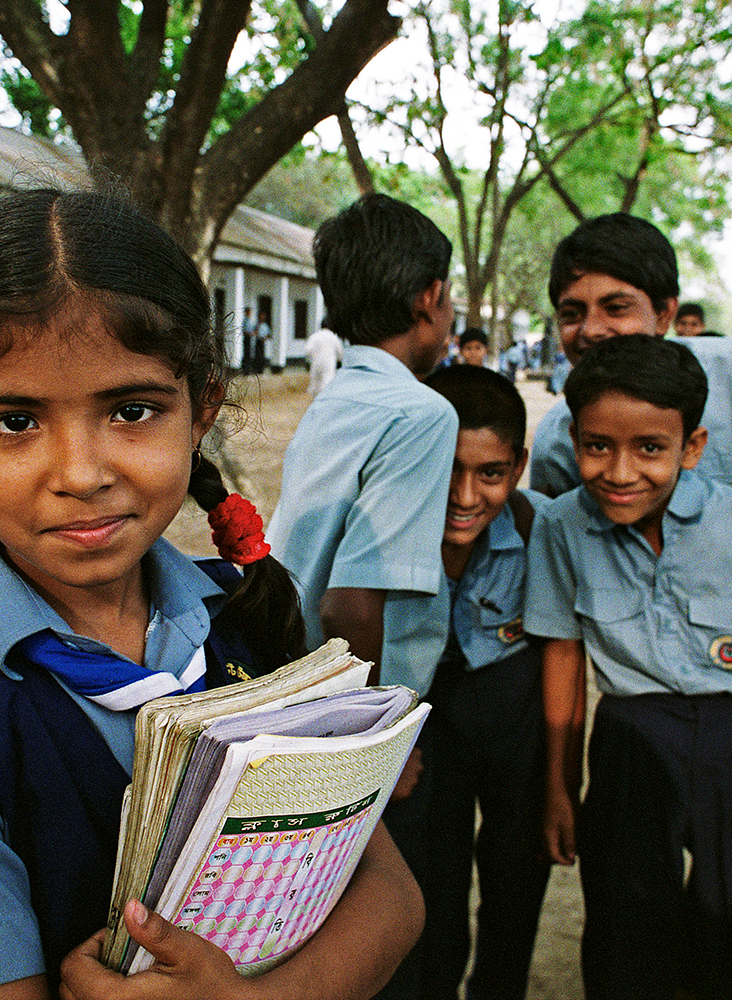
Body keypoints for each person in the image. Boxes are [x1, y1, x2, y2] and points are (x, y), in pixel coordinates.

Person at [0, 189, 423, 1000]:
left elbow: (392, 895)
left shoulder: (243, 618)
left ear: (202, 406)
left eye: (132, 410)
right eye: (13, 421)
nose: (81, 473)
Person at [526, 334, 732, 1000]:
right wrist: (559, 781)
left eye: (650, 449)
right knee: (625, 927)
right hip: (631, 742)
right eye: (596, 445)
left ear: (691, 447)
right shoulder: (561, 526)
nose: (620, 471)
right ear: (573, 437)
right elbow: (562, 652)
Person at [267, 192, 457, 1000]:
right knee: (388, 933)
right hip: (354, 714)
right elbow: (352, 603)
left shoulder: (337, 398)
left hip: (295, 689)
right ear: (429, 300)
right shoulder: (420, 412)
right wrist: (380, 744)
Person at [529, 213, 732, 503]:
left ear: (664, 315)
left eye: (617, 308)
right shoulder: (558, 439)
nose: (591, 330)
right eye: (571, 314)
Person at [418, 364, 550, 1000]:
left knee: (515, 880)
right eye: (446, 469)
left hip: (514, 725)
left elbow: (564, 654)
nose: (465, 496)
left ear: (518, 467)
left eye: (490, 474)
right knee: (432, 889)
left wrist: (558, 776)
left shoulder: (540, 528)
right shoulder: (388, 533)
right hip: (427, 732)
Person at [305, 323, 344, 395]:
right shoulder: (333, 337)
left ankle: (315, 402)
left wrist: (309, 360)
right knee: (326, 383)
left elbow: (308, 350)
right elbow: (340, 352)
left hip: (316, 362)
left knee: (315, 383)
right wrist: (339, 361)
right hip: (329, 363)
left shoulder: (315, 336)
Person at [254, 309, 273, 374]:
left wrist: (266, 337)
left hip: (262, 341)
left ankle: (261, 369)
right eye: (261, 316)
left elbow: (269, 334)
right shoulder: (257, 325)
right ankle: (256, 369)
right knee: (257, 355)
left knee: (262, 355)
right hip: (257, 340)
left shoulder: (265, 325)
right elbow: (254, 332)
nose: (262, 317)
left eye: (263, 316)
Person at [240, 306, 256, 373]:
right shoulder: (245, 321)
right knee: (246, 352)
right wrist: (248, 333)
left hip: (250, 337)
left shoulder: (251, 321)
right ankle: (245, 368)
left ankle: (249, 368)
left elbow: (253, 329)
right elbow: (243, 330)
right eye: (248, 312)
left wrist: (253, 333)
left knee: (249, 353)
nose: (249, 313)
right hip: (246, 337)